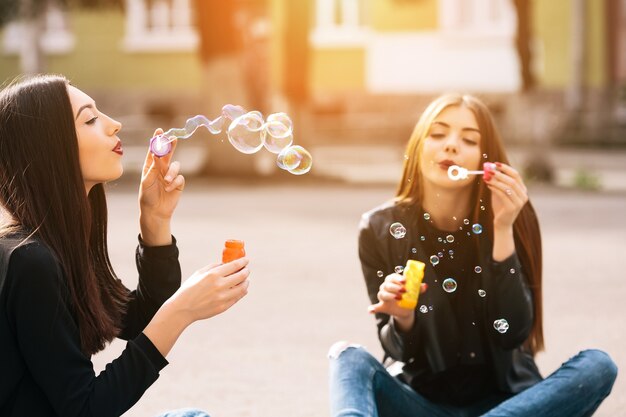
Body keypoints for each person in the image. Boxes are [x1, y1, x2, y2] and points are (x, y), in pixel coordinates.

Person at [328, 94, 617, 416]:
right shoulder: (380, 228)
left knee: (599, 366)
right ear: (417, 147)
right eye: (437, 134)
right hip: (422, 404)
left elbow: (512, 332)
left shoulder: (510, 213)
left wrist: (503, 227)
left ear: (485, 159)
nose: (451, 145)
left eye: (469, 140)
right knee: (347, 356)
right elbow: (399, 351)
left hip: (508, 405)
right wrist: (402, 317)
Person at [0, 74, 250, 417]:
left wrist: (155, 220)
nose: (114, 124)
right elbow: (86, 408)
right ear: (49, 148)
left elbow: (136, 318)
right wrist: (181, 312)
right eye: (90, 119)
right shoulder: (30, 262)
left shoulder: (58, 242)